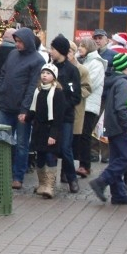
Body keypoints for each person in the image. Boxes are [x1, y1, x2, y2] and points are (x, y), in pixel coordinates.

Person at [0, 28, 45, 190]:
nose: (17, 44)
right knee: (2, 141)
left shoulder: (37, 60)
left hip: (22, 109)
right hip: (6, 105)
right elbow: (3, 73)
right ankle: (2, 173)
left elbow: (32, 87)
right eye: (16, 41)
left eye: (20, 41)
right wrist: (1, 91)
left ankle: (18, 176)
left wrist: (25, 109)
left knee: (22, 143)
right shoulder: (12, 54)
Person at [88, 52, 127, 205]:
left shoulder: (115, 81)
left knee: (116, 159)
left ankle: (119, 194)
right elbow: (121, 107)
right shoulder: (123, 83)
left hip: (113, 126)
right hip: (121, 127)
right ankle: (102, 181)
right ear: (125, 66)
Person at [26, 63, 67, 199]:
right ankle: (42, 183)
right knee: (40, 156)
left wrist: (54, 134)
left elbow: (59, 116)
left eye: (48, 73)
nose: (45, 75)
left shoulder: (57, 93)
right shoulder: (38, 91)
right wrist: (26, 117)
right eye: (43, 73)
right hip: (39, 129)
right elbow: (34, 109)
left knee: (50, 156)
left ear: (54, 77)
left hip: (51, 129)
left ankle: (50, 185)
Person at [48, 34, 81, 193]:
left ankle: (72, 179)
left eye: (53, 49)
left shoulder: (72, 70)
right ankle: (48, 181)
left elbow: (76, 95)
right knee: (50, 148)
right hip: (50, 116)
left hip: (66, 116)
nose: (50, 51)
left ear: (60, 50)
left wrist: (63, 106)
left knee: (66, 148)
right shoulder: (49, 67)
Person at [75, 37, 106, 178]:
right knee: (79, 134)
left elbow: (90, 83)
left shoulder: (96, 63)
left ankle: (85, 165)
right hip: (80, 102)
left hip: (89, 104)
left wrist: (76, 87)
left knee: (85, 134)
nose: (79, 48)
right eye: (79, 45)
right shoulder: (82, 61)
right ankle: (81, 163)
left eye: (82, 46)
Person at [66, 46, 93, 193]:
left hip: (75, 108)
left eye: (70, 51)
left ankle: (69, 173)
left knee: (71, 142)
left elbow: (88, 88)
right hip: (60, 109)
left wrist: (75, 94)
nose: (68, 54)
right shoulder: (57, 67)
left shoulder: (82, 69)